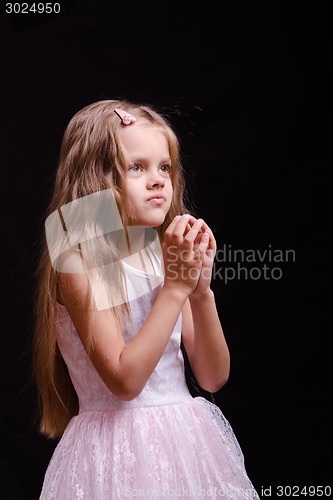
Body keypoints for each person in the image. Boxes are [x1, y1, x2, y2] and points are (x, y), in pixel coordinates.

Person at [34, 99, 259, 499]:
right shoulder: (77, 261)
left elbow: (212, 377)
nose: (158, 180)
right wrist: (175, 289)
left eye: (164, 167)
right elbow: (124, 380)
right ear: (96, 178)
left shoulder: (162, 255)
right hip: (114, 453)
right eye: (136, 167)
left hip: (186, 445)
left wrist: (200, 292)